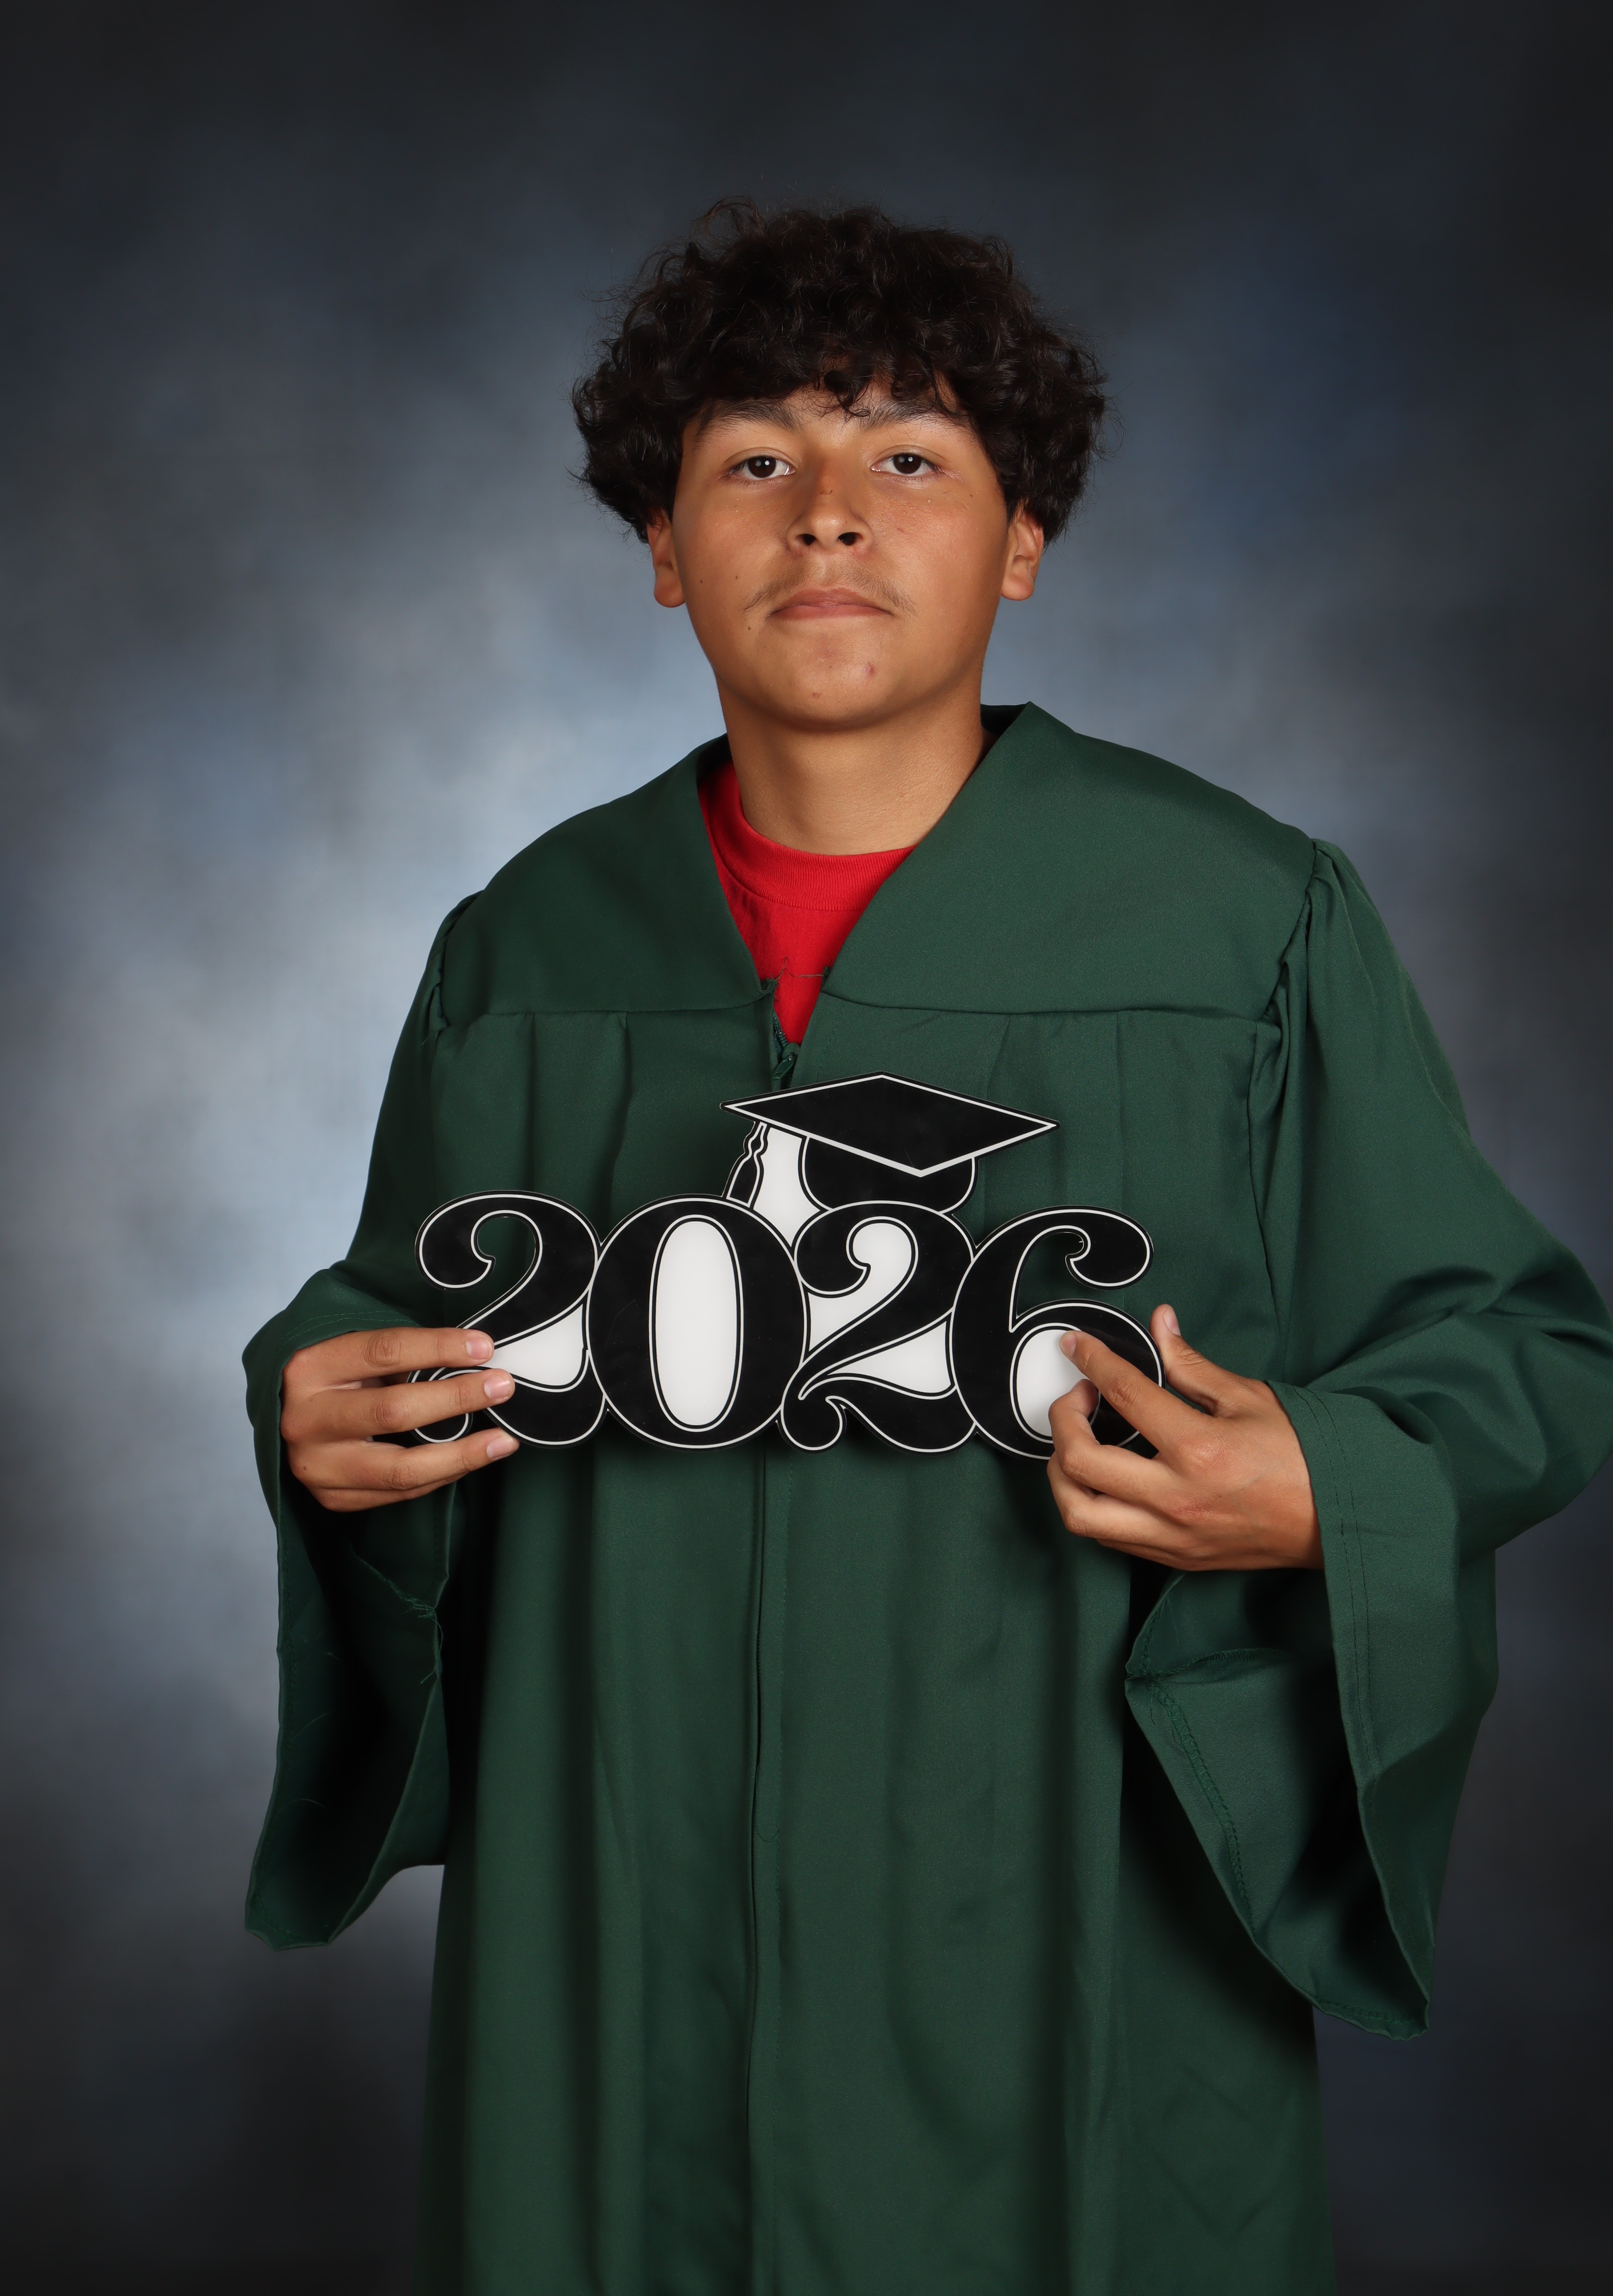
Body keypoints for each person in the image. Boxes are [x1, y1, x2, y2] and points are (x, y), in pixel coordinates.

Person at [244, 202, 1613, 2295]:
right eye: (754, 462)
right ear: (660, 543)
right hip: (625, 1916)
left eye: (908, 456)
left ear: (1022, 538)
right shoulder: (525, 953)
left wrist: (1326, 1483)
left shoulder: (1237, 926)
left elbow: (1520, 1352)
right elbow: (406, 1319)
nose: (828, 516)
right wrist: (326, 1407)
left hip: (1073, 1914)